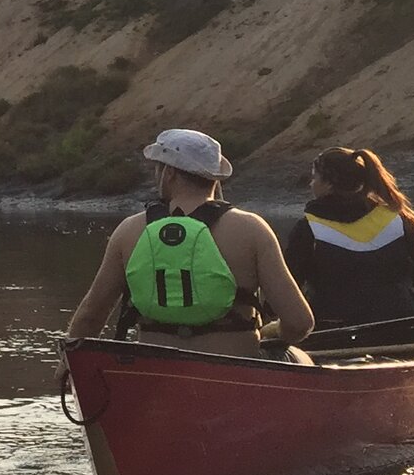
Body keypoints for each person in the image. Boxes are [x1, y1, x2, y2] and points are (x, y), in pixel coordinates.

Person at [64, 128, 314, 360]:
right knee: (298, 358)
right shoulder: (251, 229)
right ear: (215, 178)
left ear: (169, 173)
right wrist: (275, 332)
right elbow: (300, 322)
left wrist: (67, 365)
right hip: (234, 376)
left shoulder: (129, 231)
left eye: (157, 169)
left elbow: (90, 317)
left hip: (153, 378)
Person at [282, 144, 414, 333]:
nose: (311, 184)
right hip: (405, 327)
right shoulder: (401, 219)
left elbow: (289, 290)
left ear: (329, 183)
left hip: (332, 334)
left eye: (314, 178)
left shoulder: (307, 229)